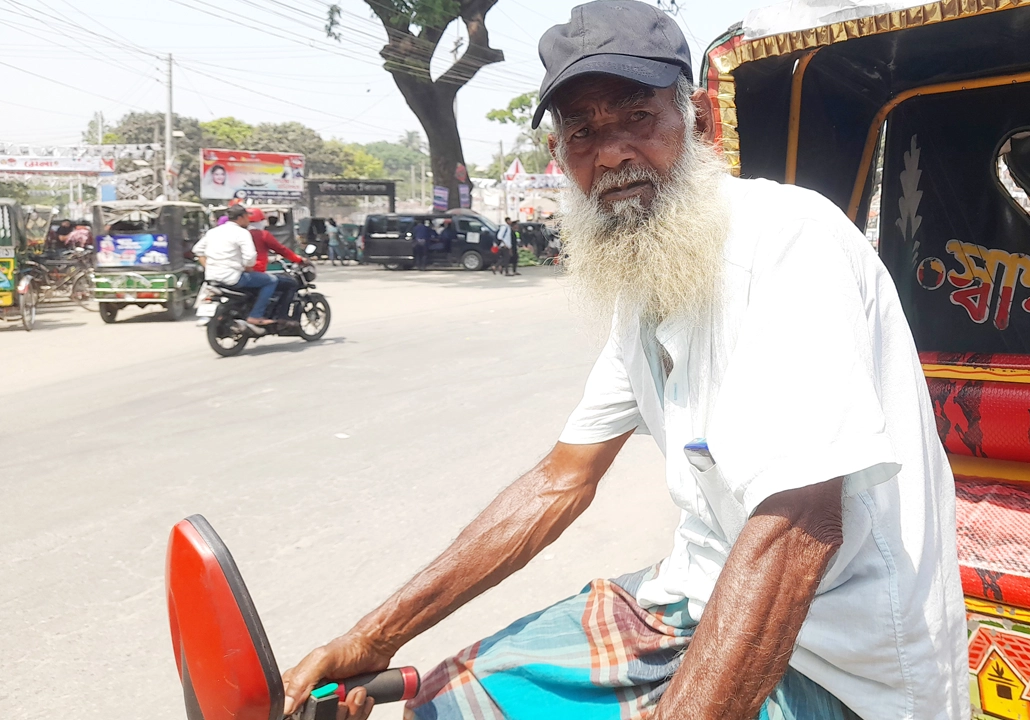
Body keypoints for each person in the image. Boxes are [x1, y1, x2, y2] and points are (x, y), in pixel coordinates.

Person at [284, 4, 968, 717]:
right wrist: (374, 636)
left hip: (842, 657)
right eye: (583, 131)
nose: (610, 154)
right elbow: (560, 480)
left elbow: (800, 528)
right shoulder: (648, 283)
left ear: (701, 121)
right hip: (694, 599)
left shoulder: (786, 240)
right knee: (457, 705)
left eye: (637, 118)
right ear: (561, 159)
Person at [192, 204, 277, 328]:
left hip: (212, 278)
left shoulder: (213, 232)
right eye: (247, 217)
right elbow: (250, 257)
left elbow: (197, 250)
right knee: (271, 281)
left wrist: (208, 267)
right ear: (241, 217)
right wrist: (248, 268)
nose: (249, 221)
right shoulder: (242, 233)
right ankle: (256, 315)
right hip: (233, 278)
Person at [246, 207, 305, 326]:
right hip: (255, 272)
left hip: (239, 272)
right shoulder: (263, 235)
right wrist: (299, 259)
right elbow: (281, 249)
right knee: (291, 284)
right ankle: (282, 316)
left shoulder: (241, 234)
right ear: (262, 221)